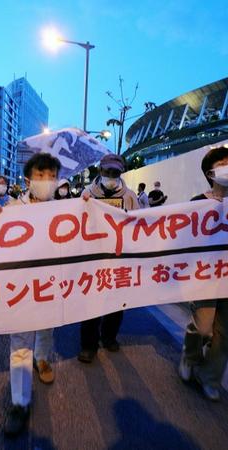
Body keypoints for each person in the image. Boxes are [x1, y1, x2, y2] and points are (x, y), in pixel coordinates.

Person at [178, 146, 228, 402]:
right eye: (223, 162)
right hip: (204, 276)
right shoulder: (197, 203)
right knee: (203, 327)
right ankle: (190, 355)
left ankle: (211, 378)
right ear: (210, 171)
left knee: (224, 333)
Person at [0, 153, 60, 436]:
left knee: (47, 329)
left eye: (52, 176)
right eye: (40, 175)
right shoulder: (11, 209)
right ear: (27, 179)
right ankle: (20, 403)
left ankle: (43, 358)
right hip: (20, 287)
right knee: (20, 340)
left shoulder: (66, 210)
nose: (46, 181)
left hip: (51, 285)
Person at [78, 154, 140, 363]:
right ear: (100, 171)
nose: (111, 176)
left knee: (116, 303)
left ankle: (109, 336)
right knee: (90, 303)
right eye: (108, 172)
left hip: (119, 258)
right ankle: (89, 345)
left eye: (115, 172)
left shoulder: (130, 197)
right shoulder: (87, 194)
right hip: (93, 259)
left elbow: (138, 226)